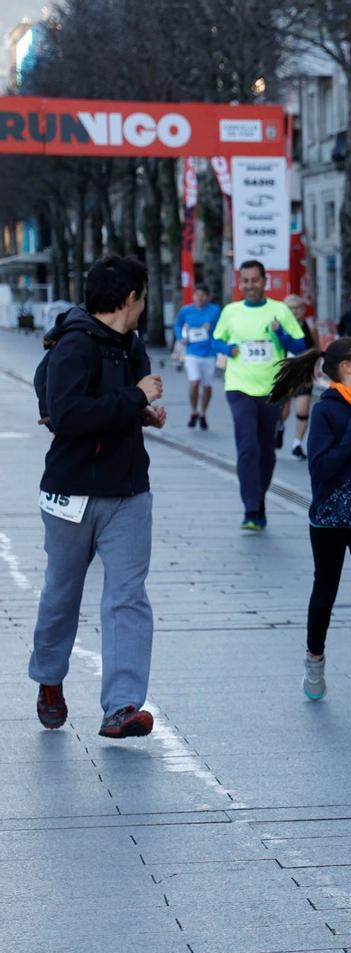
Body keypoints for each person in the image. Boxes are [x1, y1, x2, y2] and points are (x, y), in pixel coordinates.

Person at [29, 255, 163, 739]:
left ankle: (122, 706)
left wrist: (144, 413)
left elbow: (125, 402)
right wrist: (135, 400)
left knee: (127, 598)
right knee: (62, 595)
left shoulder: (132, 346)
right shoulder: (75, 347)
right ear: (130, 298)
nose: (145, 305)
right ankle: (49, 679)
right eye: (143, 296)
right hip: (72, 493)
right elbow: (67, 417)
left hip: (128, 491)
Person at [271, 336, 351, 704]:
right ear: (347, 367)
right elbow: (320, 468)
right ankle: (315, 658)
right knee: (325, 590)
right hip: (329, 518)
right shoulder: (327, 411)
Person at [211, 260, 308, 531]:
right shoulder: (231, 311)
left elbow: (300, 346)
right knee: (247, 447)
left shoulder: (280, 311)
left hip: (272, 390)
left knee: (266, 450)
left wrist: (281, 336)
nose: (250, 285)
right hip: (239, 387)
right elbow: (214, 340)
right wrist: (226, 348)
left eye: (255, 280)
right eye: (246, 281)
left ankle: (259, 498)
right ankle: (250, 509)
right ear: (239, 282)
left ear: (264, 281)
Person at [170, 284, 222, 430]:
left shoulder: (215, 310)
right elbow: (178, 325)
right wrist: (181, 337)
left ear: (208, 296)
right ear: (193, 296)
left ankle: (203, 413)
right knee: (194, 382)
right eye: (196, 295)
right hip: (192, 352)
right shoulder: (186, 310)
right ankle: (193, 411)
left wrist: (211, 328)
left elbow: (222, 327)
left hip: (209, 353)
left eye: (202, 295)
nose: (199, 298)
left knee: (207, 385)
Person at [283, 294, 316, 460]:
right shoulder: (279, 325)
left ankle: (297, 443)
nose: (295, 311)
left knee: (303, 409)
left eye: (298, 308)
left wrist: (317, 365)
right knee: (284, 410)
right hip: (284, 372)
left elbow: (316, 347)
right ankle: (279, 427)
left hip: (304, 372)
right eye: (291, 308)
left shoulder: (309, 326)